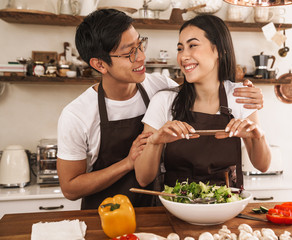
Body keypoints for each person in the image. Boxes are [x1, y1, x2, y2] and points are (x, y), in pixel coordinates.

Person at [56, 9, 265, 210]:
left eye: (140, 45)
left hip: (155, 209)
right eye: (129, 52)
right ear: (100, 65)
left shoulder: (159, 87)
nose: (141, 57)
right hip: (105, 213)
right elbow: (70, 188)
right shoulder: (77, 115)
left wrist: (253, 98)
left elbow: (197, 88)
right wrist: (128, 163)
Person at [135, 14, 271, 190]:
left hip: (225, 209)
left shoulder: (240, 96)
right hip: (176, 208)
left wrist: (258, 136)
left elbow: (263, 165)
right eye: (180, 48)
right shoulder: (164, 100)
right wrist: (155, 142)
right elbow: (143, 178)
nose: (184, 56)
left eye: (192, 46)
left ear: (219, 51)